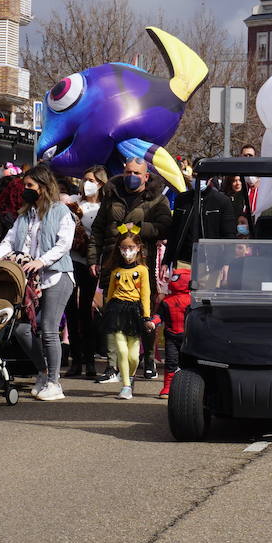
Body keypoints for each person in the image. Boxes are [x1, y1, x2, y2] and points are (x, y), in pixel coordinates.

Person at [0, 164, 75, 401]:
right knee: (20, 329)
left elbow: (63, 245)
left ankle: (54, 382)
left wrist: (41, 261)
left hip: (56, 277)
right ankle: (42, 371)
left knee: (49, 328)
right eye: (24, 186)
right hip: (30, 282)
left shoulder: (61, 211)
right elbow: (10, 241)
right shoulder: (25, 214)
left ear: (43, 186)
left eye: (30, 186)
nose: (25, 190)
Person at [89, 157, 173, 378]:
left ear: (146, 176)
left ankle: (148, 362)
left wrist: (136, 228)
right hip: (111, 263)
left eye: (137, 173)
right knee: (111, 313)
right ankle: (112, 366)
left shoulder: (157, 199)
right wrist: (92, 259)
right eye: (128, 172)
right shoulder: (111, 195)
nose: (132, 177)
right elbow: (97, 229)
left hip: (141, 264)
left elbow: (164, 227)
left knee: (144, 313)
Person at [99, 228, 154, 400]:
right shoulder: (115, 271)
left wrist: (146, 317)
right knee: (121, 351)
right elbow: (109, 294)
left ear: (138, 248)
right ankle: (125, 386)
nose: (126, 251)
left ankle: (129, 377)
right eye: (123, 247)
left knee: (133, 356)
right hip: (116, 310)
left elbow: (145, 295)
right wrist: (106, 310)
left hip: (134, 312)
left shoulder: (143, 270)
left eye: (130, 247)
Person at [69, 167, 108, 380]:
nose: (86, 183)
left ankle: (90, 361)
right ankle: (75, 360)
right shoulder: (75, 202)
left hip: (91, 262)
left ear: (101, 183)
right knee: (71, 310)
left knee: (86, 310)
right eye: (84, 179)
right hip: (71, 259)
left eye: (91, 180)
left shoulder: (104, 206)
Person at [156, 267, 192, 399]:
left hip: (187, 338)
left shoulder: (192, 300)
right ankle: (167, 386)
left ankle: (187, 388)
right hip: (171, 336)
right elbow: (159, 315)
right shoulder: (166, 301)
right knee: (171, 362)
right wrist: (153, 322)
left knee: (187, 363)